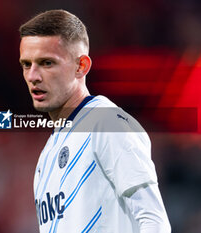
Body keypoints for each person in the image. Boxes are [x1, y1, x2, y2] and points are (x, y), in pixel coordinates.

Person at [18, 9, 171, 233]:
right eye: (26, 64)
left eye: (47, 63)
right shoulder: (48, 153)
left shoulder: (107, 124)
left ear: (82, 66)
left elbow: (154, 222)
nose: (33, 76)